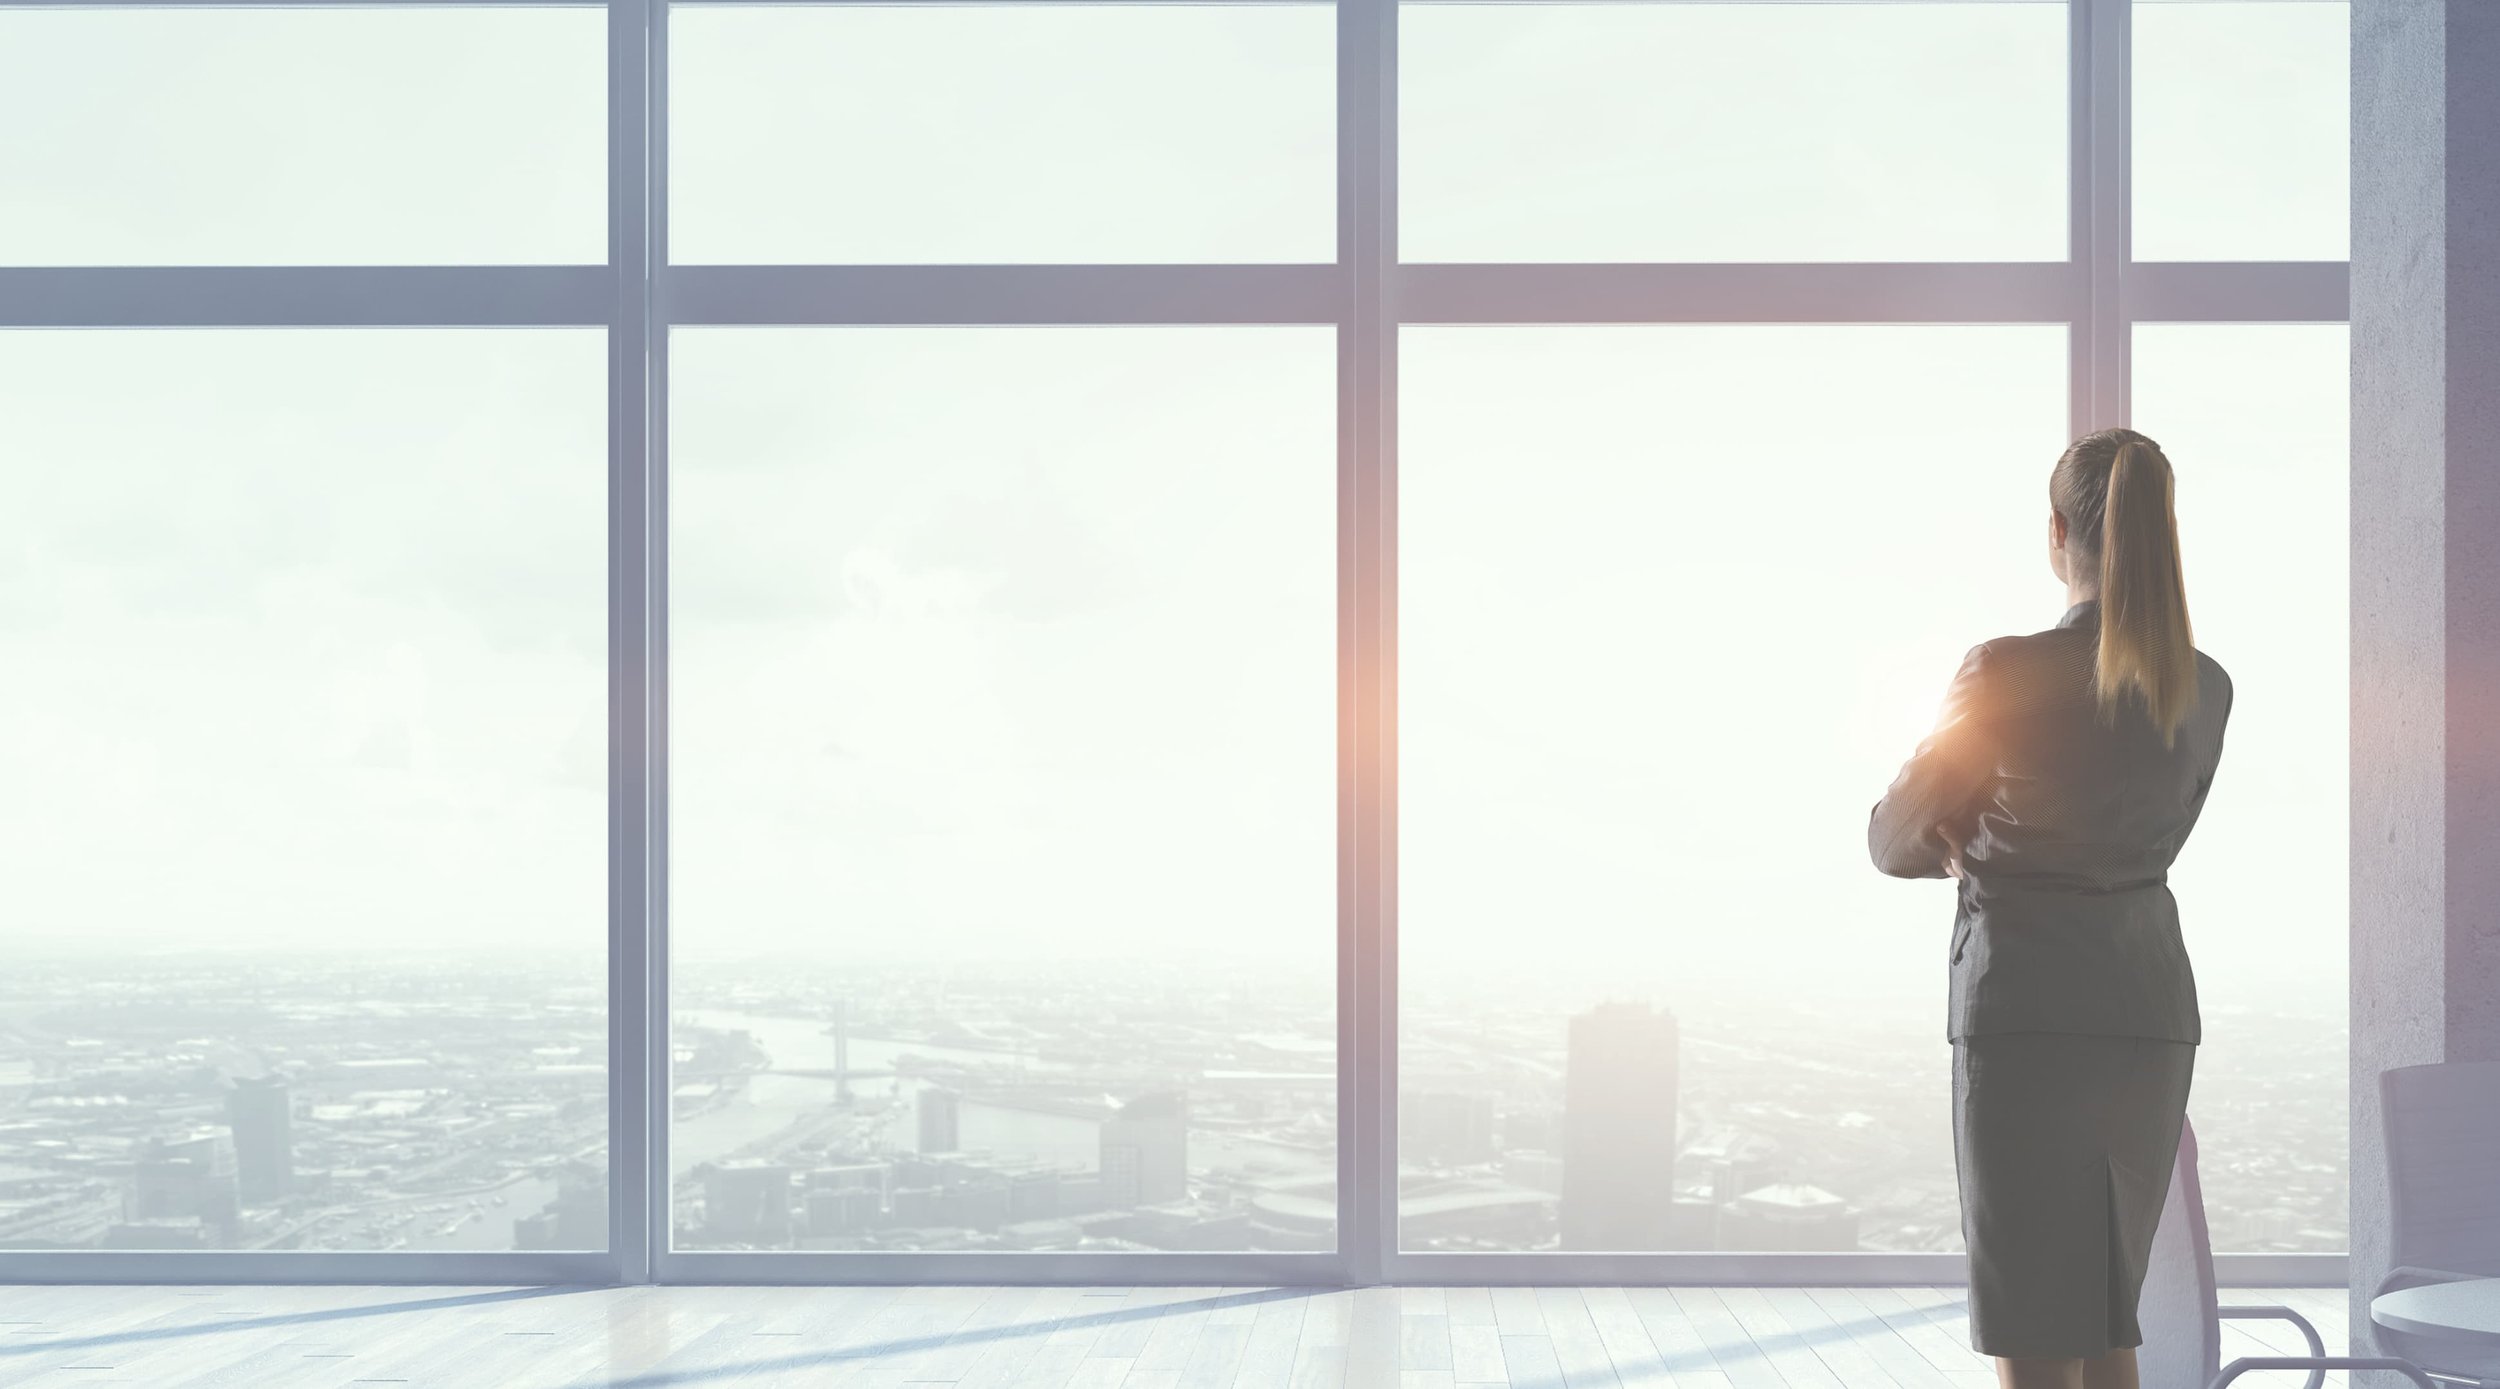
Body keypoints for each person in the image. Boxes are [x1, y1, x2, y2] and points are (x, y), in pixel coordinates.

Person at [1869, 427, 2234, 1389]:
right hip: (2148, 1022)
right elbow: (2150, 838)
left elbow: (1892, 833)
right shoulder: (2207, 687)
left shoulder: (2003, 670)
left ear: (2058, 531)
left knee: (2037, 1329)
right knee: (2109, 1318)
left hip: (2028, 1016)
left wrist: (1972, 843)